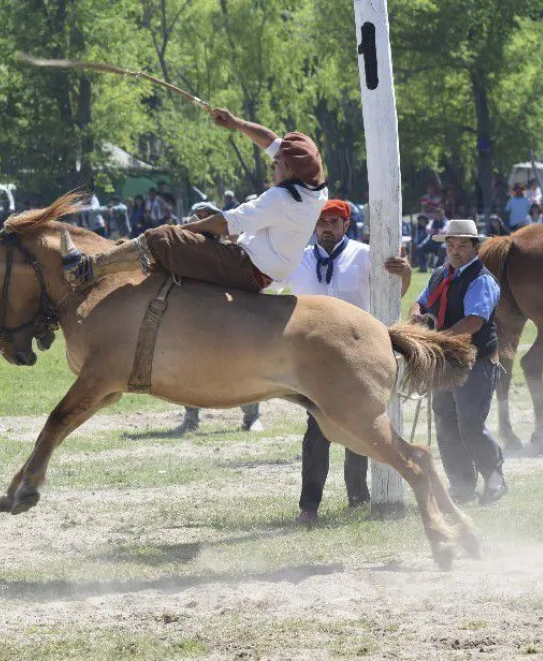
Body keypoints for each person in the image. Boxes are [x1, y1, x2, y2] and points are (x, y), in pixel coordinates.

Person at [63, 108, 327, 293]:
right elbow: (270, 140)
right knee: (201, 219)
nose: (273, 167)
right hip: (257, 262)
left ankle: (86, 270)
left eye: (277, 164)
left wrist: (178, 231)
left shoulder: (281, 199)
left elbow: (226, 223)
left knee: (163, 237)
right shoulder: (313, 186)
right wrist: (234, 122)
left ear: (291, 170)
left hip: (246, 269)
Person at [283, 199, 413, 522]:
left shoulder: (364, 255)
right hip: (311, 361)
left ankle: (358, 498)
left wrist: (407, 274)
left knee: (357, 429)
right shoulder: (296, 259)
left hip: (356, 357)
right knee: (316, 432)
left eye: (334, 221)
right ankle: (309, 506)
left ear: (346, 224)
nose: (327, 227)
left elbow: (391, 293)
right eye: (322, 221)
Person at [410, 219, 507, 505]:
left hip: (476, 363)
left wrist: (435, 341)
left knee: (470, 424)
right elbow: (422, 301)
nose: (455, 251)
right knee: (445, 422)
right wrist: (416, 314)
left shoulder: (482, 280)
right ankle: (462, 485)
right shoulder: (440, 274)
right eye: (450, 245)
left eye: (463, 245)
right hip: (445, 364)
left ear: (475, 248)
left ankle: (494, 477)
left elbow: (473, 323)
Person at [171, 201, 264, 435]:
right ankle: (190, 418)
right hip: (197, 321)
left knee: (243, 367)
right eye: (198, 217)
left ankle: (251, 417)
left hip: (230, 320)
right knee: (189, 369)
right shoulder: (185, 254)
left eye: (207, 217)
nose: (202, 222)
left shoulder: (235, 251)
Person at [417, 206, 447, 272]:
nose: (438, 215)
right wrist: (438, 231)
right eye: (437, 214)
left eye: (440, 214)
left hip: (441, 242)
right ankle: (423, 267)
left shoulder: (447, 222)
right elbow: (427, 230)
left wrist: (434, 231)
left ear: (443, 214)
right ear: (435, 215)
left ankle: (436, 268)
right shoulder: (432, 222)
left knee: (443, 248)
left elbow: (444, 231)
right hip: (431, 242)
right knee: (420, 248)